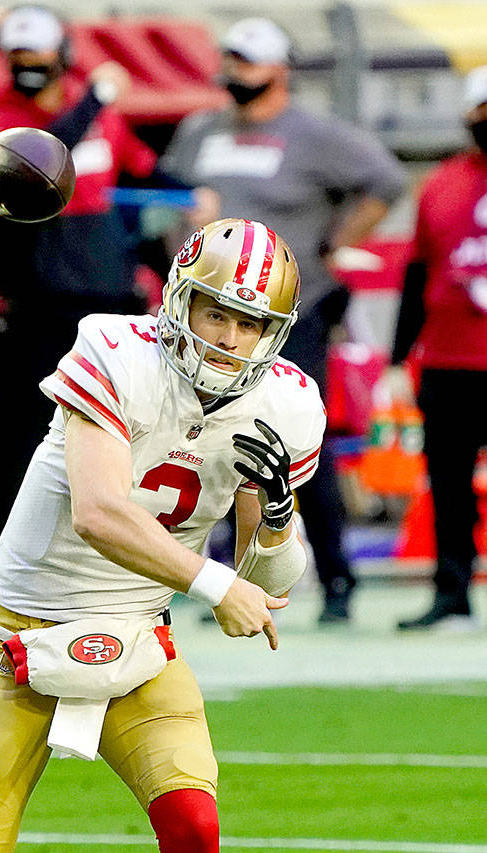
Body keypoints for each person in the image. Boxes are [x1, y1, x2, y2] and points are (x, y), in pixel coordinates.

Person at [0, 219, 325, 852]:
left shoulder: (287, 404)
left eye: (250, 324)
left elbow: (257, 597)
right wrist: (214, 584)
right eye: (217, 314)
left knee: (195, 826)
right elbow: (99, 514)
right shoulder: (115, 350)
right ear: (180, 301)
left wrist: (279, 524)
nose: (231, 340)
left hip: (139, 633)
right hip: (23, 629)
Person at [159, 17, 405, 624]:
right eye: (232, 61)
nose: (237, 72)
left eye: (249, 62)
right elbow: (171, 191)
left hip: (285, 316)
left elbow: (386, 181)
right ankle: (212, 579)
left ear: (279, 69)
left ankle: (336, 578)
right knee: (202, 444)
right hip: (208, 318)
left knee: (295, 442)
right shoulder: (200, 131)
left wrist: (334, 244)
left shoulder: (314, 134)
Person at [0, 5, 176, 573]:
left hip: (106, 305)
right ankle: (1, 576)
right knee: (20, 444)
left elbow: (138, 169)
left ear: (62, 58)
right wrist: (95, 100)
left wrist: (188, 194)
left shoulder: (96, 114)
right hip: (35, 306)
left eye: (38, 58)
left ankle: (105, 572)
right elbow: (39, 159)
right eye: (18, 60)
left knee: (114, 445)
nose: (28, 69)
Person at [389, 66, 487, 631]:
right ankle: (452, 593)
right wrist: (399, 358)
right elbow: (418, 274)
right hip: (450, 362)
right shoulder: (443, 184)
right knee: (449, 486)